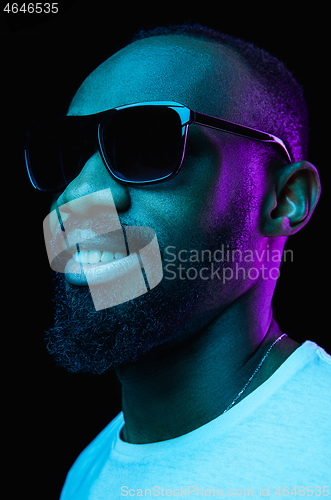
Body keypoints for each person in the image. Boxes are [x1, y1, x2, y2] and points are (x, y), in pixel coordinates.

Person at [25, 23, 330, 498]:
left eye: (150, 145)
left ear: (284, 200)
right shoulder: (86, 474)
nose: (78, 195)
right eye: (70, 155)